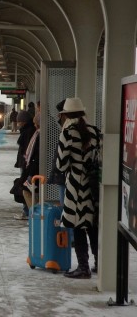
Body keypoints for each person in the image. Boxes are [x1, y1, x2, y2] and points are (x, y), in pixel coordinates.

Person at [56, 97, 100, 278]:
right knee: (91, 225)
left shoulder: (68, 132)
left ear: (65, 114)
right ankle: (100, 263)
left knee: (77, 225)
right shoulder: (94, 130)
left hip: (76, 185)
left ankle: (83, 267)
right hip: (92, 184)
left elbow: (61, 164)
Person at [13, 110, 36, 220]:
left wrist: (24, 163)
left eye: (19, 121)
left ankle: (27, 212)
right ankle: (27, 211)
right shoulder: (29, 131)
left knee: (25, 187)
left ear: (23, 122)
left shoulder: (28, 132)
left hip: (26, 164)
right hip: (26, 163)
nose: (17, 124)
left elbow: (26, 151)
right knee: (26, 187)